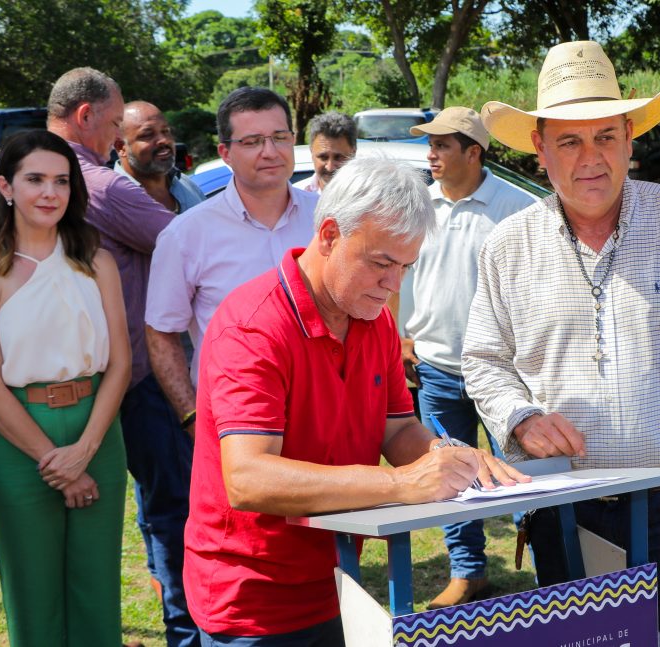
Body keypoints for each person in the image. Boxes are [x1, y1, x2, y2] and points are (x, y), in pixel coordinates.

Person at [461, 40, 660, 647]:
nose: (591, 159)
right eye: (570, 141)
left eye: (605, 136)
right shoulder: (508, 244)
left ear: (631, 138)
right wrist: (521, 419)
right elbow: (484, 360)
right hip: (564, 502)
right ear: (539, 148)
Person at [183, 156, 529, 645]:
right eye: (382, 263)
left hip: (336, 578)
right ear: (328, 235)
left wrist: (446, 458)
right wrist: (400, 482)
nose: (395, 286)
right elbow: (248, 477)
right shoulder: (253, 326)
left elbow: (397, 428)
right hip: (253, 599)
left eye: (407, 266)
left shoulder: (374, 320)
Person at [0, 130, 130, 646]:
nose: (49, 193)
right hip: (19, 440)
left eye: (61, 181)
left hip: (96, 429)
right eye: (35, 179)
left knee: (97, 585)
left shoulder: (96, 261)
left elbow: (121, 363)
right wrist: (55, 462)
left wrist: (86, 451)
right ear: (6, 187)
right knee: (32, 590)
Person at [47, 67, 199, 647]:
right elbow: (191, 245)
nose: (116, 140)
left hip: (62, 383)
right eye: (116, 126)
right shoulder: (101, 185)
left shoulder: (33, 177)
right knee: (172, 510)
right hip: (135, 378)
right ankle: (188, 634)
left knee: (116, 512)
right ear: (86, 116)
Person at [401, 106, 535, 609]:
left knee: (520, 477)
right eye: (428, 146)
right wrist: (401, 338)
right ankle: (469, 572)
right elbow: (402, 276)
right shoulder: (419, 206)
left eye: (441, 146)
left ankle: (546, 564)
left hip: (504, 374)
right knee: (452, 478)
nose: (430, 155)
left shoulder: (516, 208)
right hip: (434, 368)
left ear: (473, 152)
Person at [145, 87, 318, 433]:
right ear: (225, 152)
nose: (270, 152)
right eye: (252, 141)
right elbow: (161, 333)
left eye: (280, 137)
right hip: (232, 421)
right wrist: (191, 416)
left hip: (321, 411)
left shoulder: (328, 220)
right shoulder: (186, 235)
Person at [114, 100, 205, 214]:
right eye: (147, 135)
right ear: (121, 147)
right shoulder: (113, 202)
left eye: (165, 131)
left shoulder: (185, 183)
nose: (164, 140)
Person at [293, 111, 357, 193]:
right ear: (311, 153)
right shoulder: (295, 196)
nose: (330, 168)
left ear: (353, 153)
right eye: (323, 157)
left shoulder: (369, 198)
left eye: (338, 157)